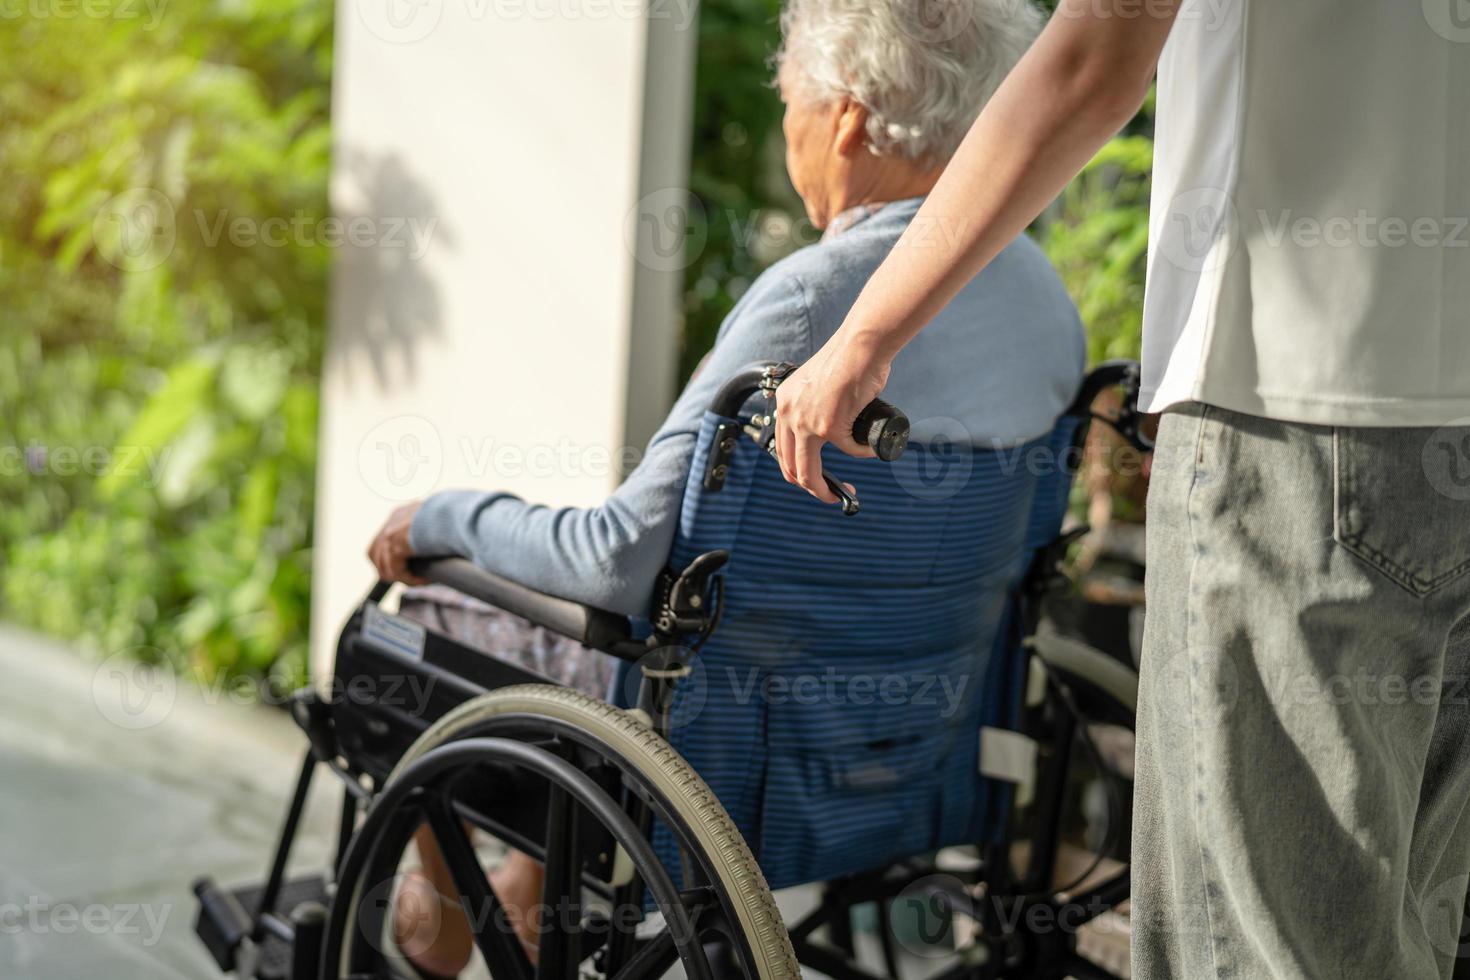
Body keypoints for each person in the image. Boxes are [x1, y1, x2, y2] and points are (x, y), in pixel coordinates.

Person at [367, 0, 1084, 973]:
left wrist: (444, 514)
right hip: (911, 752)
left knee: (417, 617)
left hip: (727, 762)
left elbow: (615, 561)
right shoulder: (1048, 306)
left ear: (848, 120)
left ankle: (442, 925)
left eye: (792, 102)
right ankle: (530, 895)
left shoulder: (814, 300)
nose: (791, 127)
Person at [772, 0, 1470, 976]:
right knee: (1402, 939)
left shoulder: (804, 292)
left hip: (1295, 404)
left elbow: (1095, 56)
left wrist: (864, 333)